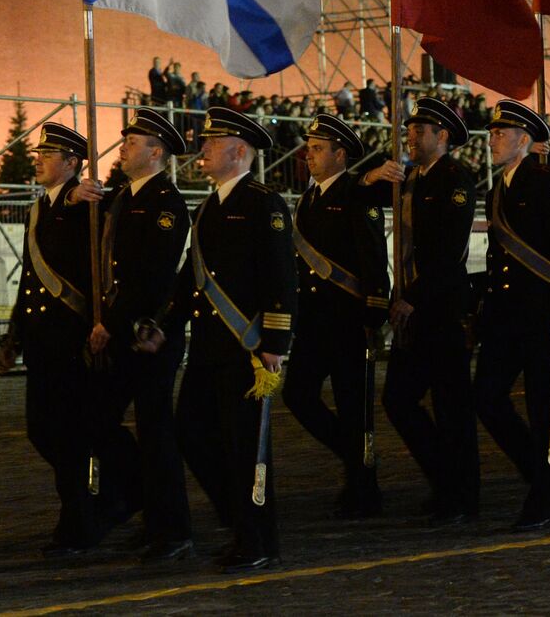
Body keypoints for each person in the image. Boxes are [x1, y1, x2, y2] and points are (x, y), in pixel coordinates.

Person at [139, 106, 297, 573]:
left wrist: (275, 342)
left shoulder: (263, 202)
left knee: (249, 448)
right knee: (191, 431)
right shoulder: (208, 207)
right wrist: (164, 322)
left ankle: (259, 541)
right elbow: (192, 278)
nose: (202, 150)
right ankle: (237, 514)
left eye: (212, 144)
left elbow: (280, 277)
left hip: (249, 349)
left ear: (240, 151)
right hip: (209, 347)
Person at [71, 109, 193, 562]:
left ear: (155, 151)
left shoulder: (165, 201)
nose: (122, 147)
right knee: (97, 418)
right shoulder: (123, 196)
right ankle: (143, 498)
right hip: (125, 331)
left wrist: (110, 323)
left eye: (132, 141)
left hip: (148, 334)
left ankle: (174, 529)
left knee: (156, 431)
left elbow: (151, 276)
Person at [360, 98, 480, 526]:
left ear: (442, 136)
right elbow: (357, 197)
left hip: (441, 309)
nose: (409, 137)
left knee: (452, 409)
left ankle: (462, 496)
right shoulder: (408, 178)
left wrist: (415, 296)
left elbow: (448, 252)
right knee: (398, 400)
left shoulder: (455, 179)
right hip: (411, 305)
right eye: (409, 130)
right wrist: (373, 175)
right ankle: (445, 480)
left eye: (419, 130)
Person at [475, 101, 550, 529]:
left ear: (524, 141)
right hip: (505, 315)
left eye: (501, 134)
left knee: (545, 409)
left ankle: (546, 500)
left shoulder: (545, 182)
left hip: (542, 314)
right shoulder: (497, 188)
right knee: (485, 397)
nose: (493, 140)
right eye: (492, 134)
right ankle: (541, 471)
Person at [0, 123, 97, 556]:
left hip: (70, 339)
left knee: (69, 434)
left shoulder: (85, 205)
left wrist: (74, 199)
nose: (37, 159)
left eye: (48, 154)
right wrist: (14, 335)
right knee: (42, 431)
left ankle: (78, 521)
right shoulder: (41, 208)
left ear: (72, 164)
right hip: (41, 340)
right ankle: (95, 497)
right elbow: (31, 282)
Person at [282, 113, 389, 519]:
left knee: (353, 407)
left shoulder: (356, 194)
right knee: (298, 395)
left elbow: (373, 259)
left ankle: (365, 487)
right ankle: (355, 458)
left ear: (340, 154)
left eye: (317, 149)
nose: (308, 155)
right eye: (309, 148)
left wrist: (374, 312)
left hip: (347, 320)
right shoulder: (309, 197)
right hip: (314, 321)